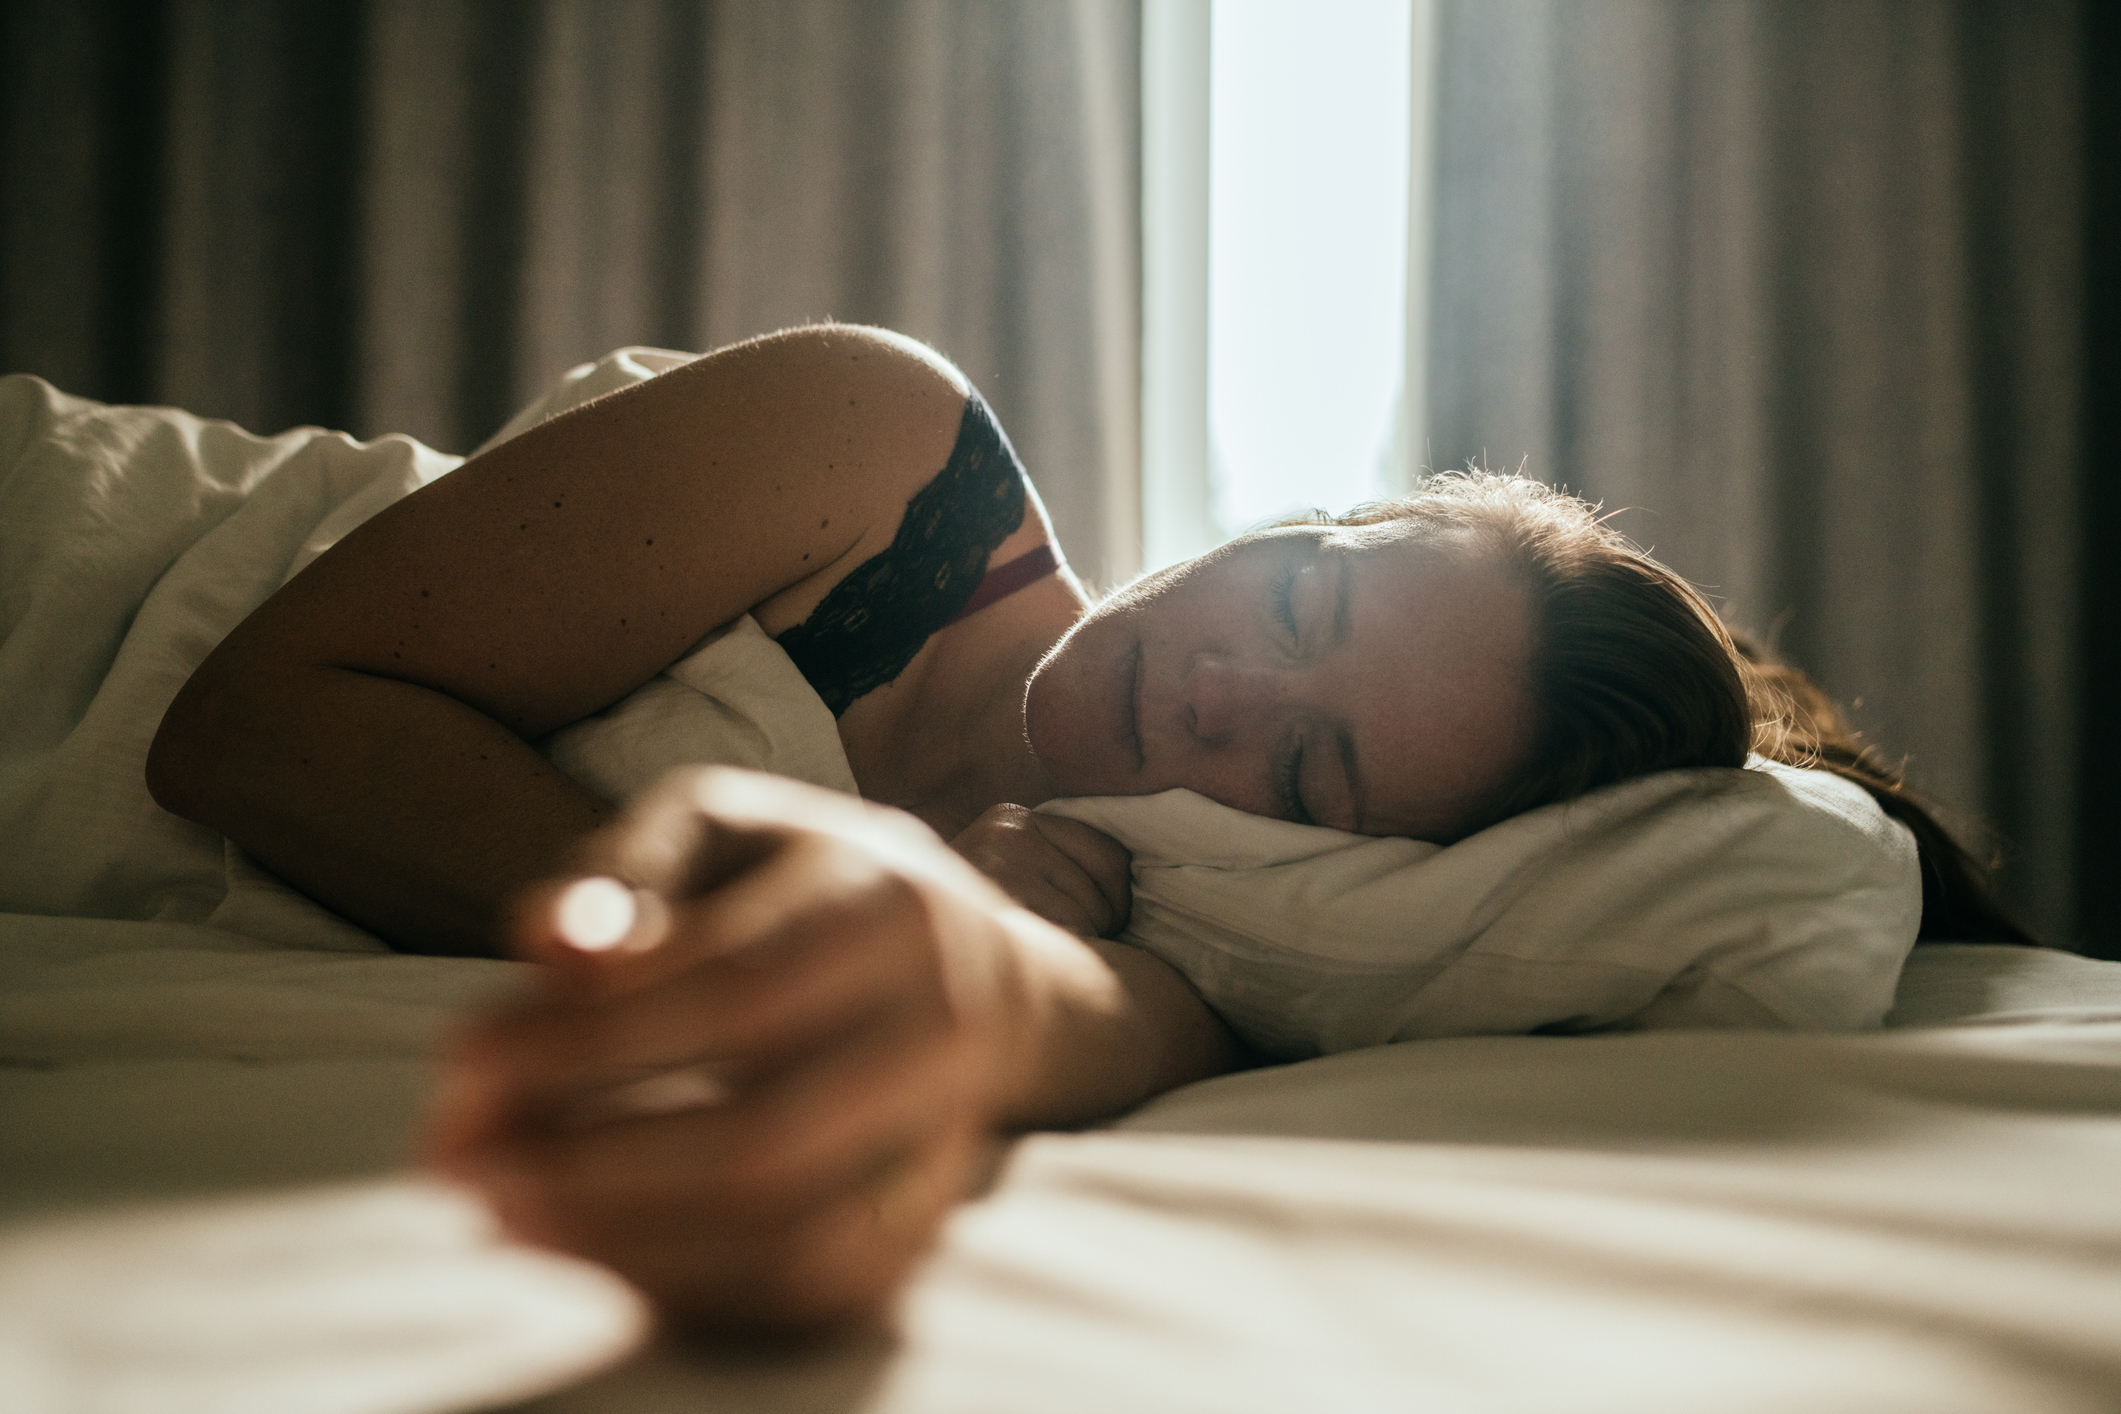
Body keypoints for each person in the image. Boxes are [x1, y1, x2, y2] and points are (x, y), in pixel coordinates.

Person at [144, 323, 2026, 1331]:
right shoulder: (887, 457)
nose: (1220, 695)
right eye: (1293, 602)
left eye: (1306, 774)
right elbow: (246, 726)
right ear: (1302, 516)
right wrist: (731, 942)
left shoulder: (1176, 937)